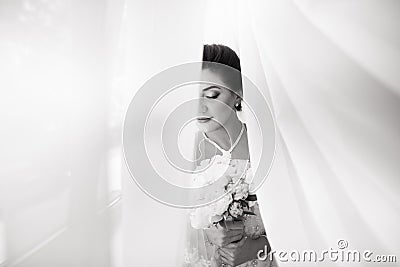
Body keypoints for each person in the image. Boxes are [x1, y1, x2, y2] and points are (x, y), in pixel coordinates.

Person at [182, 44, 277, 267]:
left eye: (212, 95)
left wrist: (261, 247)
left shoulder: (265, 146)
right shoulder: (184, 151)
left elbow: (294, 213)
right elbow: (161, 230)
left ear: (237, 94)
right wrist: (208, 235)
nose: (199, 107)